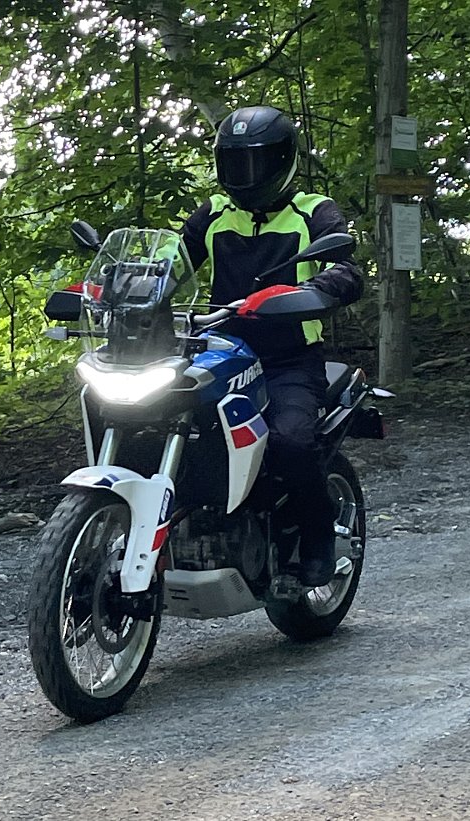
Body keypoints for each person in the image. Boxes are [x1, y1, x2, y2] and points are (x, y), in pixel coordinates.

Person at [180, 104, 363, 588]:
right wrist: (116, 288)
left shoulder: (314, 211)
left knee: (289, 441)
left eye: (257, 162)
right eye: (235, 163)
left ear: (284, 160)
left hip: (288, 360)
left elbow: (344, 266)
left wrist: (316, 290)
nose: (246, 174)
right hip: (216, 353)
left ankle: (318, 538)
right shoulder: (214, 214)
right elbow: (171, 265)